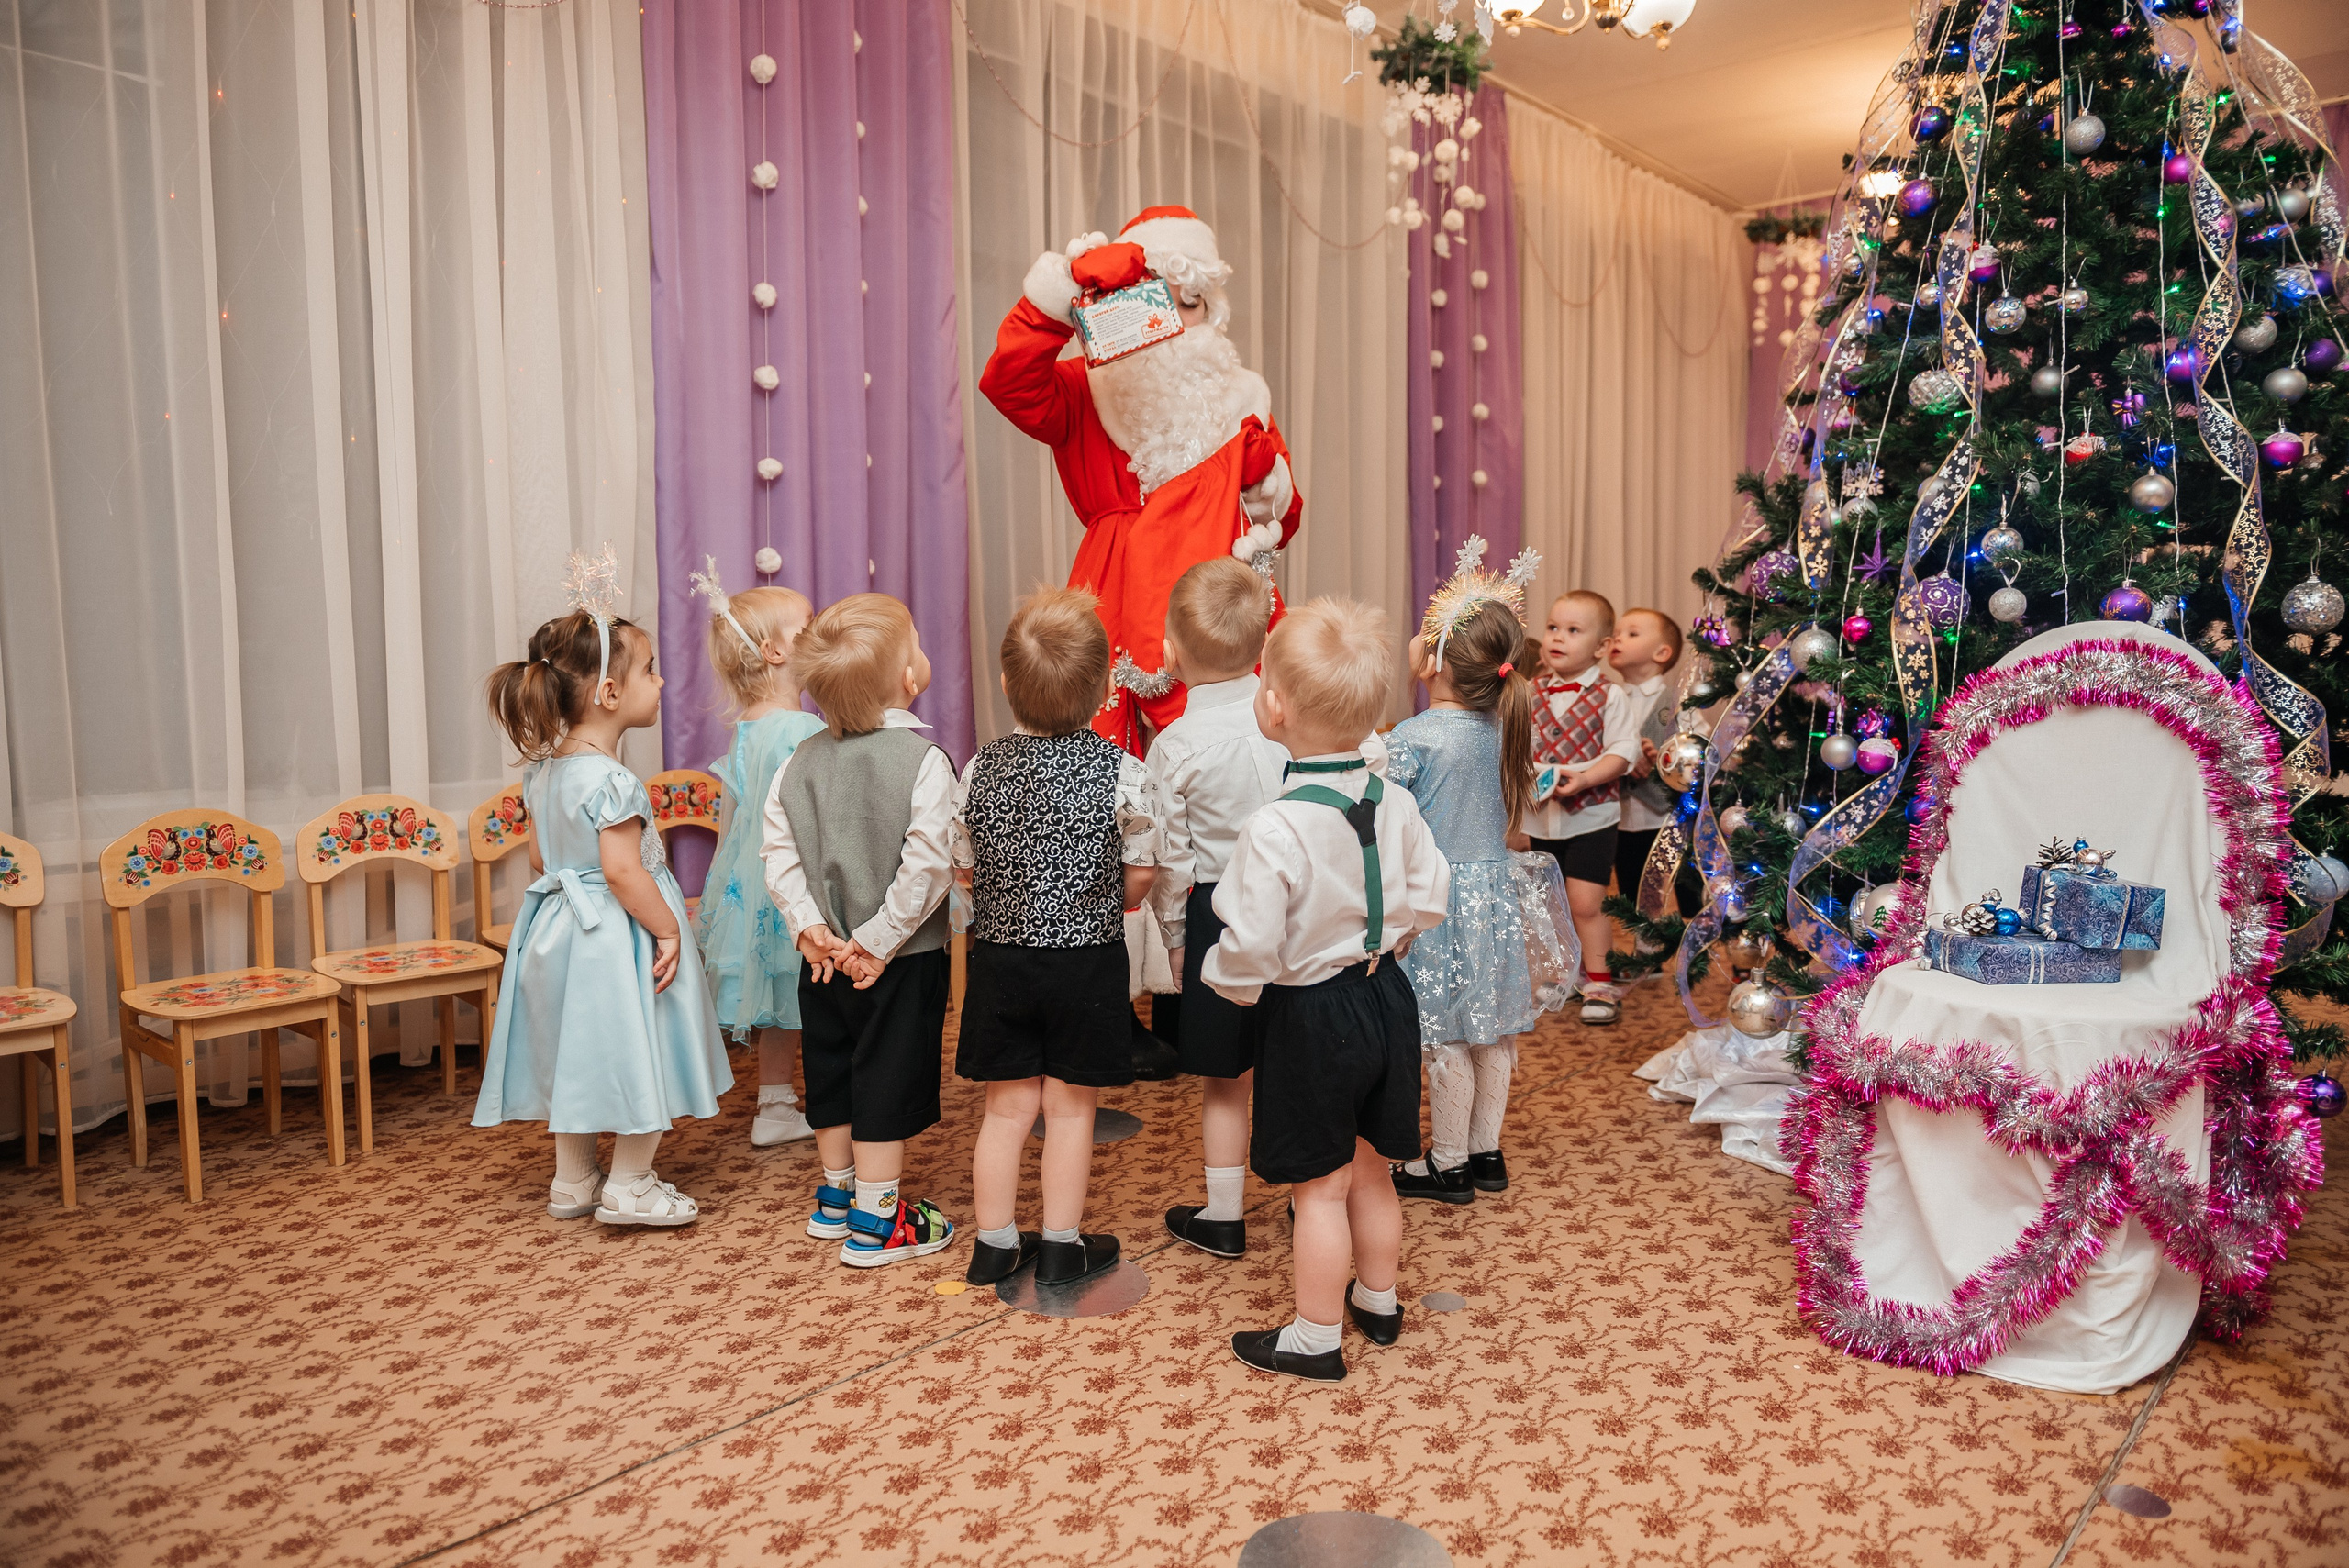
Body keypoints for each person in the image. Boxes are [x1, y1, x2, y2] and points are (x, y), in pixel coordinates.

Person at [1205, 598, 1451, 1384]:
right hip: (1387, 998)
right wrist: (1396, 930)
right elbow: (1431, 891)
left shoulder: (1274, 827)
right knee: (1374, 1166)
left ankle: (1314, 1339)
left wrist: (1232, 991)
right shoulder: (1396, 799)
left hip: (1310, 1014)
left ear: (1273, 707)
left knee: (1319, 1188)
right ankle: (1378, 1299)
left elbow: (1247, 942)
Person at [980, 206, 1302, 752]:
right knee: (1101, 767)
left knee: (1241, 757)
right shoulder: (1088, 385)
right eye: (1159, 298)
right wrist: (1062, 294)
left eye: (1191, 301)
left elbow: (1283, 518)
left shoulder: (1240, 394)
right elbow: (1012, 384)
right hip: (1113, 588)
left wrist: (1264, 485)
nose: (1176, 318)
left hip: (1215, 600)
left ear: (1211, 310)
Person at [473, 563, 732, 1229]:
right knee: (640, 1043)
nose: (662, 681)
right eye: (650, 670)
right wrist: (669, 930)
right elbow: (621, 871)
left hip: (558, 930)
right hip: (617, 933)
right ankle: (632, 1182)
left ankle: (573, 1178)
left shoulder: (545, 771)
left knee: (581, 1050)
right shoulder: (612, 781)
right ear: (611, 692)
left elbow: (540, 856)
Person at [954, 588, 1162, 1288]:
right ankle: (1064, 1246)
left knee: (1007, 1108)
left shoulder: (980, 767)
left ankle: (994, 1242)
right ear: (1108, 688)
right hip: (1085, 963)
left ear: (1006, 683)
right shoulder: (1123, 771)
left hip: (1002, 958)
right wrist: (1107, 900)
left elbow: (963, 864)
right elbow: (1141, 873)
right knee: (1071, 1110)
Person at [761, 595, 957, 1269]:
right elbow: (928, 865)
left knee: (833, 1066)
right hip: (897, 960)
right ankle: (878, 1219)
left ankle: (837, 1193)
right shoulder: (924, 759)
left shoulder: (798, 761)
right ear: (908, 677)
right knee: (886, 1074)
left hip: (822, 960)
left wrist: (810, 927)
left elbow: (778, 854)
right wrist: (876, 939)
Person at [1387, 539, 1573, 1206]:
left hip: (1437, 902)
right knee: (1489, 1030)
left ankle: (1446, 1163)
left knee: (1443, 1036)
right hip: (1494, 897)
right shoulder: (1506, 726)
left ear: (1434, 659)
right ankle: (1486, 1151)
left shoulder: (1413, 738)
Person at [1146, 558, 1288, 1260]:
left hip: (1217, 912)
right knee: (1297, 1054)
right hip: (1303, 904)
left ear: (1169, 655)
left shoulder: (1173, 744)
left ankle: (1224, 1215)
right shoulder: (1292, 708)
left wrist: (1174, 935)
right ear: (1264, 647)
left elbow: (1172, 858)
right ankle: (1308, 1193)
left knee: (1226, 1076)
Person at [685, 561, 824, 1147]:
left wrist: (722, 891)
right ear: (772, 653)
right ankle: (809, 1096)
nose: (819, 639)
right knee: (805, 988)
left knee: (777, 991)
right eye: (806, 630)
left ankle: (775, 1102)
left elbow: (732, 823)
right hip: (794, 878)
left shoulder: (748, 726)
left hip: (751, 882)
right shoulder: (799, 728)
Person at [1526, 591, 1642, 1026]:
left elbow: (1622, 752)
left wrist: (1585, 778)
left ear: (1600, 647)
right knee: (1553, 902)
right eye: (1553, 627)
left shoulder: (1611, 696)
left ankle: (1600, 980)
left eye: (1573, 631)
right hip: (1542, 818)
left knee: (1585, 902)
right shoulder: (1529, 692)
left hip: (1592, 815)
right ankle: (1566, 972)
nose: (1558, 637)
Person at [1609, 607, 1688, 914]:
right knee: (1633, 890)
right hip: (1620, 815)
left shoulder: (1680, 700)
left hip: (1663, 816)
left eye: (1631, 634)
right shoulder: (1607, 698)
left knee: (1677, 887)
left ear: (1662, 652)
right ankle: (1644, 956)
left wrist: (1665, 758)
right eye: (1616, 634)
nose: (1618, 639)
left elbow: (1697, 750)